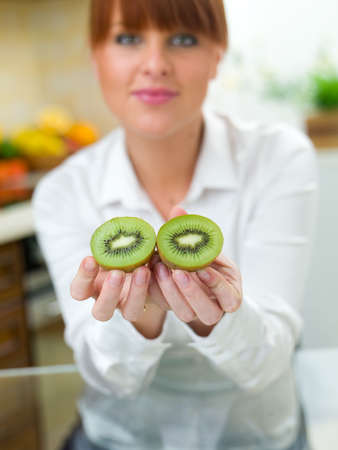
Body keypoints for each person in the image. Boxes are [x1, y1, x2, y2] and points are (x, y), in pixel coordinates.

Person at [32, 1, 319, 449]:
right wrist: (140, 322)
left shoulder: (279, 158)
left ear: (216, 55)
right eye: (128, 39)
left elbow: (269, 361)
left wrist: (217, 320)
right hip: (120, 437)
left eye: (183, 39)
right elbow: (107, 375)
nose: (155, 65)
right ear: (96, 56)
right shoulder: (62, 191)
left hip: (257, 436)